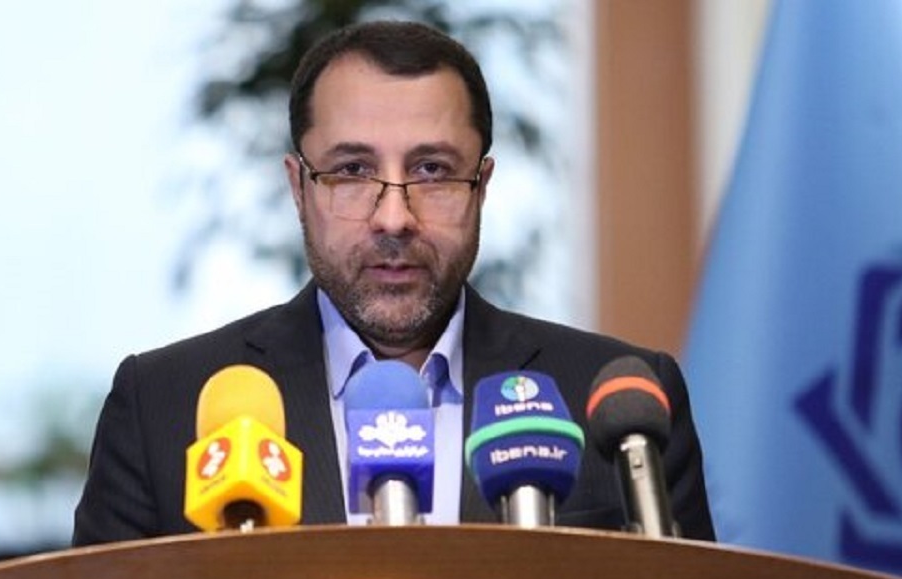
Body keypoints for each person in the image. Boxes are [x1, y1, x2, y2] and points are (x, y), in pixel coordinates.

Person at [73, 20, 715, 545]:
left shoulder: (619, 406)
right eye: (352, 171)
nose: (393, 217)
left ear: (481, 187)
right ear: (298, 188)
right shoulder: (161, 406)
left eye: (432, 170)